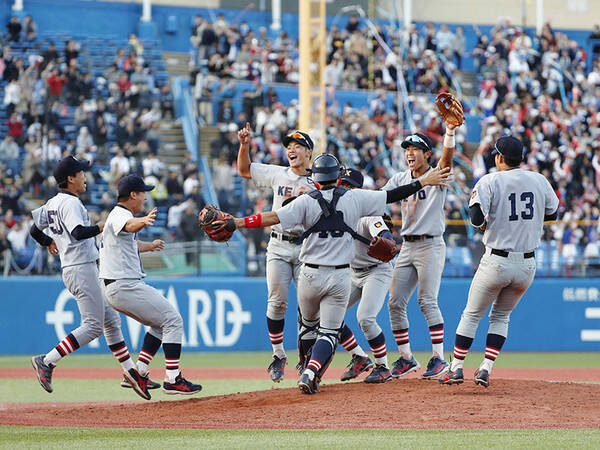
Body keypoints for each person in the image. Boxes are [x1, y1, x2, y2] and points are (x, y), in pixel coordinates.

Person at [217, 153, 451, 394]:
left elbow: (272, 217)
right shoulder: (357, 198)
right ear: (337, 177)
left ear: (315, 179)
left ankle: (309, 367)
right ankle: (311, 372)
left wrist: (238, 222)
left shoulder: (306, 199)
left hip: (309, 274)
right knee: (329, 332)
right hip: (340, 277)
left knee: (309, 327)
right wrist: (423, 182)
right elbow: (393, 195)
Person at [439, 136, 559, 387]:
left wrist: (487, 223)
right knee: (501, 317)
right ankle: (485, 368)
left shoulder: (490, 180)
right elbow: (553, 213)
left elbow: (474, 217)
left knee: (471, 315)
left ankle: (457, 367)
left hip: (497, 260)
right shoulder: (539, 180)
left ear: (499, 158)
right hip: (527, 265)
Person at [29, 156, 151, 401]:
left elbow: (34, 229)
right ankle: (47, 360)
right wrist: (103, 225)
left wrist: (49, 241)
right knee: (93, 326)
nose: (85, 176)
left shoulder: (53, 202)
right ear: (70, 178)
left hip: (78, 266)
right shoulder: (70, 203)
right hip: (80, 267)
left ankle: (130, 373)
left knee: (111, 321)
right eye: (81, 172)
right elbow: (78, 232)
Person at [99, 174, 202, 395]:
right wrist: (144, 221)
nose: (145, 197)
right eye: (143, 193)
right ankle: (173, 378)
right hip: (124, 285)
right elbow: (128, 225)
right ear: (133, 194)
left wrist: (150, 245)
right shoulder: (120, 214)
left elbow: (130, 243)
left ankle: (139, 372)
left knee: (159, 324)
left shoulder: (118, 216)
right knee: (173, 320)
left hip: (117, 286)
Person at [382, 113, 460, 380]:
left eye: (415, 149)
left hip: (430, 245)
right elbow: (381, 199)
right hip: (407, 245)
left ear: (427, 154)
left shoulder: (436, 174)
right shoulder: (400, 179)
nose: (410, 153)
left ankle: (438, 358)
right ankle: (406, 359)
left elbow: (447, 160)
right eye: (407, 149)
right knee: (394, 302)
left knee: (426, 300)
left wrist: (449, 132)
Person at [236, 123, 314, 383]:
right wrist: (245, 145)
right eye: (288, 147)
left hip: (306, 245)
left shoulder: (318, 180)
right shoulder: (279, 173)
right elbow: (244, 169)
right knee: (277, 301)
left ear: (309, 153)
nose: (291, 150)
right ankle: (279, 355)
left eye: (297, 147)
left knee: (308, 306)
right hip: (279, 244)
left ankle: (307, 359)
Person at [336, 168, 395, 384]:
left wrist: (384, 238)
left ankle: (382, 366)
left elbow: (384, 234)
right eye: (342, 184)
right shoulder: (335, 210)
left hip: (376, 271)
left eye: (349, 186)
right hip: (353, 272)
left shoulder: (369, 213)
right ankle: (359, 357)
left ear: (358, 190)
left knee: (366, 318)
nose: (344, 189)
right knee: (330, 316)